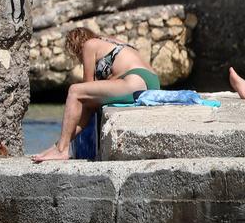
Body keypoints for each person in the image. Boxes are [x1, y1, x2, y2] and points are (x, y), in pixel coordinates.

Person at [30, 29, 161, 162]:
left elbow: (87, 86)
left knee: (75, 91)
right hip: (151, 81)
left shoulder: (89, 45)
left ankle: (61, 150)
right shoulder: (109, 41)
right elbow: (90, 102)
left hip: (134, 81)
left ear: (75, 46)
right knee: (87, 105)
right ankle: (59, 146)